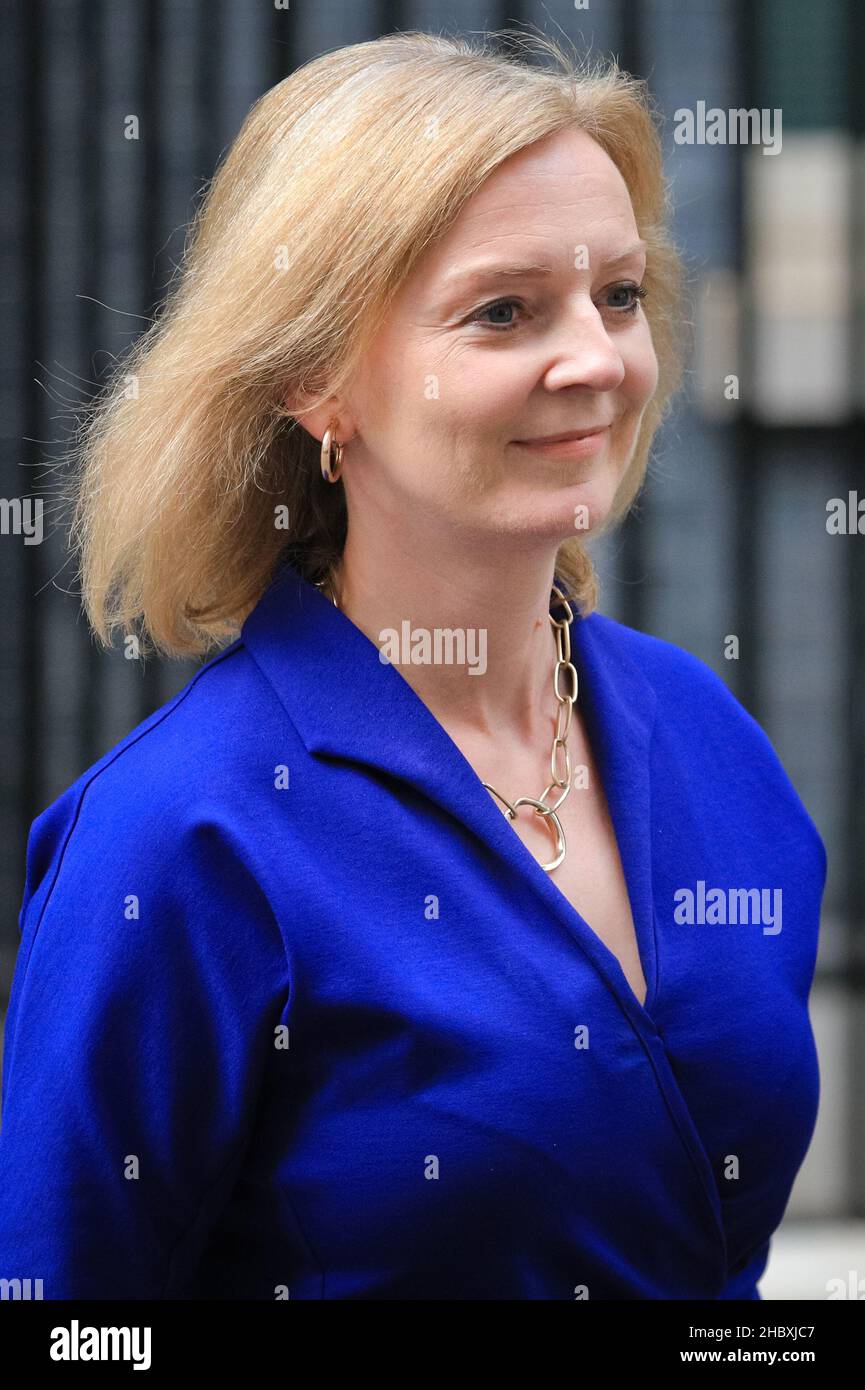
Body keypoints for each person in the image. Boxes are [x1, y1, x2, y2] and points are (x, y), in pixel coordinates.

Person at [0, 30, 826, 1300]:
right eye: (503, 310)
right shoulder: (181, 834)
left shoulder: (703, 731)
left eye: (617, 294)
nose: (597, 359)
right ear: (315, 381)